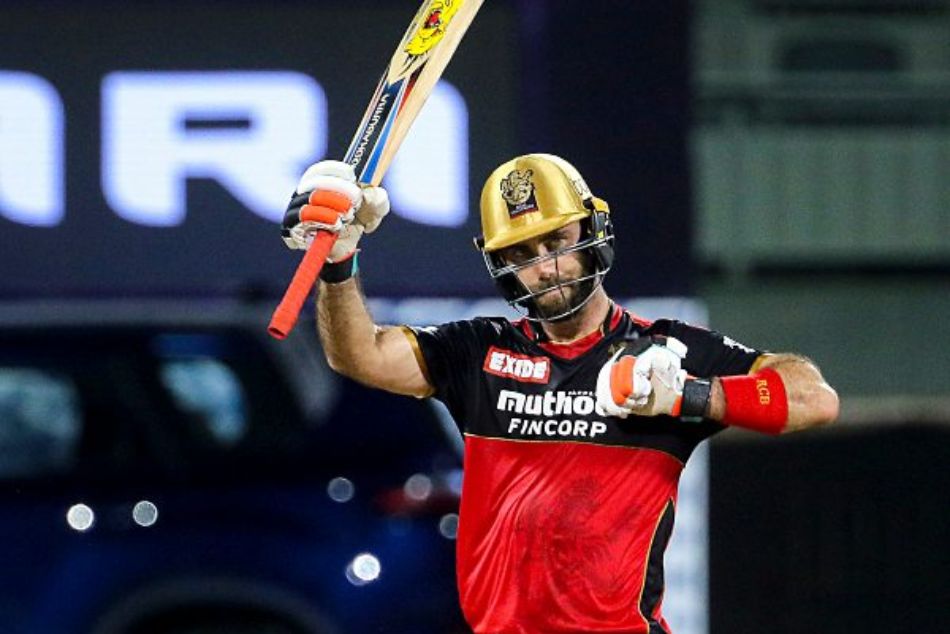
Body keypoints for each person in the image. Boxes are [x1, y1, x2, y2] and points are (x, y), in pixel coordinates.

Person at [281, 153, 840, 634]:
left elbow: (814, 399)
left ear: (592, 233)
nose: (545, 267)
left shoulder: (667, 349)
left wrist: (688, 396)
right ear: (501, 264)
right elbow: (361, 354)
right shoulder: (477, 351)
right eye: (522, 253)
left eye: (557, 242)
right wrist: (339, 263)